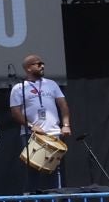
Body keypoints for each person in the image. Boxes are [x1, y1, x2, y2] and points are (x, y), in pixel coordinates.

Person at [10, 54, 71, 193]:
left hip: (54, 132)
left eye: (42, 63)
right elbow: (15, 112)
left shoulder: (51, 84)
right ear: (28, 68)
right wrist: (31, 126)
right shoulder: (19, 88)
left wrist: (66, 124)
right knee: (32, 173)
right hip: (31, 135)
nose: (42, 66)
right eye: (38, 64)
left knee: (53, 172)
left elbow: (63, 105)